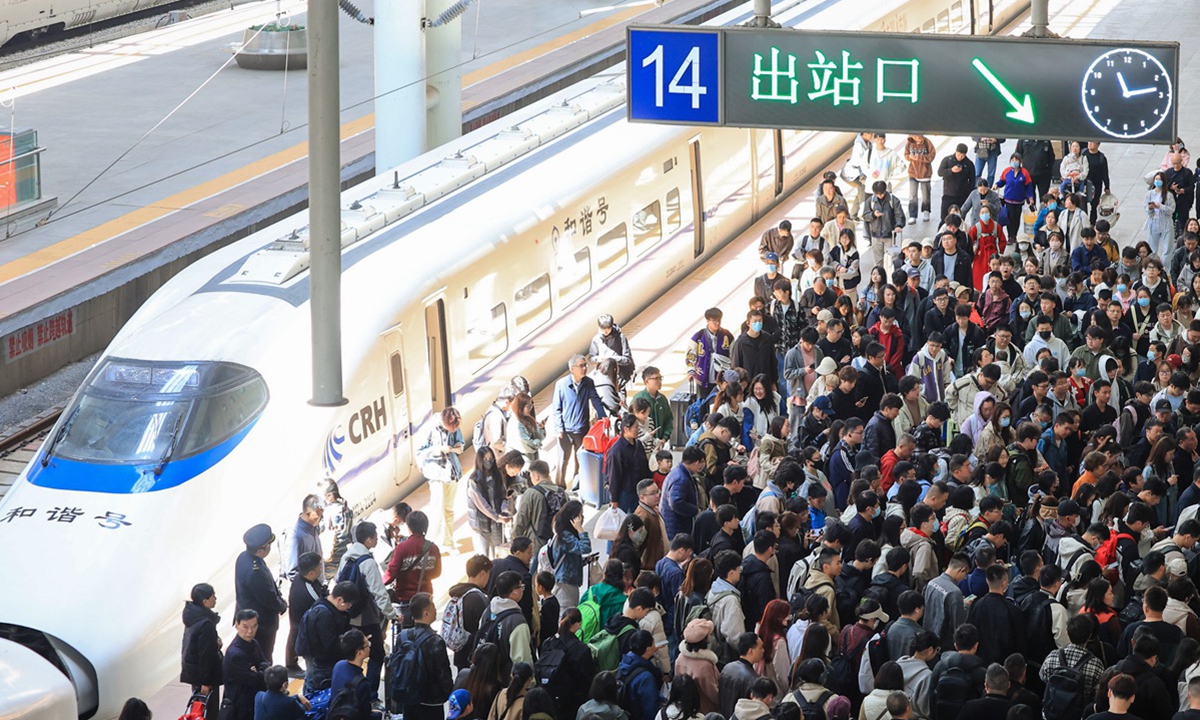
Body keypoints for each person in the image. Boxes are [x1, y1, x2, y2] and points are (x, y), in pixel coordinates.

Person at [335, 521, 397, 700]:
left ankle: (353, 692)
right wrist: (392, 614)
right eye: (376, 537)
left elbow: (338, 579)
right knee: (377, 655)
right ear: (369, 540)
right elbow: (379, 592)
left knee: (352, 655)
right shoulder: (368, 562)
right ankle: (370, 694)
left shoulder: (347, 556)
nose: (377, 539)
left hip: (349, 614)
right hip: (366, 617)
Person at [551, 355, 607, 487]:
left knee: (580, 458)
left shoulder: (588, 382)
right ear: (572, 369)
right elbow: (556, 408)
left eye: (585, 365)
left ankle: (577, 483)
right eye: (581, 366)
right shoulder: (561, 384)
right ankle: (560, 485)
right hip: (565, 431)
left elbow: (596, 400)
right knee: (563, 459)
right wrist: (559, 428)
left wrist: (603, 416)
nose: (584, 368)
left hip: (582, 429)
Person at [235, 524, 287, 664]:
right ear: (260, 549)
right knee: (263, 657)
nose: (270, 548)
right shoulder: (255, 571)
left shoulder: (243, 558)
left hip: (247, 614)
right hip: (261, 622)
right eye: (268, 546)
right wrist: (282, 605)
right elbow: (267, 597)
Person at [416, 407, 467, 548]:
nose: (453, 431)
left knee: (449, 510)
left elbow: (461, 443)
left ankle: (448, 543)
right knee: (437, 510)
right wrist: (438, 449)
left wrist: (458, 447)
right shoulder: (428, 429)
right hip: (436, 473)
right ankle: (430, 545)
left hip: (452, 473)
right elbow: (419, 453)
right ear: (444, 422)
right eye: (451, 428)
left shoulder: (455, 425)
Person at [385, 510, 442, 618]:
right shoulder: (433, 548)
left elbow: (391, 573)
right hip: (426, 595)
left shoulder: (401, 548)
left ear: (409, 527)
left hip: (405, 598)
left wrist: (379, 584)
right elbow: (437, 573)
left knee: (406, 631)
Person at [181, 583, 223, 718]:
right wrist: (206, 682)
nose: (215, 598)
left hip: (194, 672)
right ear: (205, 601)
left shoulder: (192, 616)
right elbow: (207, 656)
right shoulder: (206, 624)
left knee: (198, 709)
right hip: (205, 677)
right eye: (213, 596)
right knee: (208, 711)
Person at [286, 552, 326, 678]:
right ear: (311, 573)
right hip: (306, 632)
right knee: (314, 668)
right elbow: (323, 608)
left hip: (298, 625)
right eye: (319, 566)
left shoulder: (300, 578)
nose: (321, 568)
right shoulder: (309, 592)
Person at [223, 610, 269, 720]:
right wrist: (260, 671)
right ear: (236, 625)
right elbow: (253, 679)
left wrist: (259, 670)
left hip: (252, 701)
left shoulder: (254, 643)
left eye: (254, 626)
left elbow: (266, 663)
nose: (250, 631)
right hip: (240, 706)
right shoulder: (235, 654)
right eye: (245, 627)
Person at [547, 501, 592, 610]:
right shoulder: (565, 536)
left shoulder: (563, 533)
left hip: (566, 580)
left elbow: (569, 558)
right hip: (565, 583)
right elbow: (585, 548)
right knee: (567, 614)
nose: (582, 518)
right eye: (580, 515)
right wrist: (580, 529)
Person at [468, 448, 511, 558]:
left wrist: (504, 511)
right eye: (485, 459)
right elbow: (481, 504)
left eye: (491, 459)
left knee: (501, 557)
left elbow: (503, 496)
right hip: (481, 526)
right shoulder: (474, 480)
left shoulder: (497, 476)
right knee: (483, 559)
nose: (488, 462)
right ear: (480, 460)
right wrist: (496, 517)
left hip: (496, 525)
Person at [606, 414, 651, 513]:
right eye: (635, 427)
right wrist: (614, 499)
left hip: (640, 492)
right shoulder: (617, 451)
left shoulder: (638, 445)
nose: (638, 429)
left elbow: (645, 467)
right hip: (625, 494)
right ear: (626, 429)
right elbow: (614, 476)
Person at [687, 309, 736, 398]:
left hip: (722, 380)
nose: (717, 323)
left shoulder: (727, 335)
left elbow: (734, 354)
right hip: (702, 380)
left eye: (719, 320)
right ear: (707, 320)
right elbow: (691, 354)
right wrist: (691, 370)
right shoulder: (698, 336)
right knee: (703, 405)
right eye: (714, 320)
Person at [512, 461, 560, 552]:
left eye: (531, 476)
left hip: (537, 544)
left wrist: (515, 541)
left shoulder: (531, 493)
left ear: (536, 476)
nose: (531, 479)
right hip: (558, 543)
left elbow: (521, 520)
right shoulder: (562, 493)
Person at [328, 629, 375, 720]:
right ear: (359, 652)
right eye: (367, 645)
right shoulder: (363, 684)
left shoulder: (339, 666)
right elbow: (365, 715)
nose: (369, 646)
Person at [865, 180, 907, 270]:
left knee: (891, 261)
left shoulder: (893, 200)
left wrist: (898, 225)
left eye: (882, 194)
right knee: (877, 262)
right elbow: (865, 215)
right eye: (877, 194)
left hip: (889, 236)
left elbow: (899, 215)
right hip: (876, 236)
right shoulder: (871, 201)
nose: (880, 196)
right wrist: (873, 215)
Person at [589, 315, 635, 389]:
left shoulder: (620, 337)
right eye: (603, 328)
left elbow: (628, 359)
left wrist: (612, 359)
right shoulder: (596, 339)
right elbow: (591, 358)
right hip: (602, 379)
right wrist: (599, 359)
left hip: (619, 380)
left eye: (608, 328)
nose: (605, 331)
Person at [287, 495, 324, 582]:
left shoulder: (314, 525)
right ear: (308, 514)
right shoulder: (296, 536)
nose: (321, 517)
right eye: (318, 515)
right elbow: (292, 572)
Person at [939, 144, 977, 222]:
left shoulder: (969, 164)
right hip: (948, 194)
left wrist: (969, 193)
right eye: (958, 155)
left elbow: (972, 179)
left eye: (962, 156)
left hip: (962, 195)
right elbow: (940, 172)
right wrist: (951, 170)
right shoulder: (947, 160)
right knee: (944, 217)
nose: (960, 157)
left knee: (959, 218)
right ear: (956, 152)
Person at [1147, 171, 1178, 260]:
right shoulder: (1150, 194)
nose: (1157, 181)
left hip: (1166, 223)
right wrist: (1150, 208)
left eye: (1159, 180)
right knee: (1152, 248)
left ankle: (1166, 269)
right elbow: (1145, 208)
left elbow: (1171, 209)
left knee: (1167, 249)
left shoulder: (1168, 195)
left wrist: (1160, 206)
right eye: (1156, 179)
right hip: (1153, 222)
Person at [508, 393, 546, 465]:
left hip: (532, 456)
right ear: (520, 407)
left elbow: (538, 436)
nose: (530, 409)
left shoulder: (527, 418)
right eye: (528, 406)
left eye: (531, 406)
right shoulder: (516, 423)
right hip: (523, 460)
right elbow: (526, 443)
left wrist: (541, 428)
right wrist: (537, 442)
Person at [906, 134, 936, 223]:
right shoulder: (909, 142)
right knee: (912, 195)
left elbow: (932, 155)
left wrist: (920, 158)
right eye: (915, 136)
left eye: (918, 136)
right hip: (913, 172)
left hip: (925, 173)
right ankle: (912, 215)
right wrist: (910, 157)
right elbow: (906, 154)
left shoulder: (927, 142)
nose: (917, 138)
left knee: (925, 194)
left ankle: (926, 211)